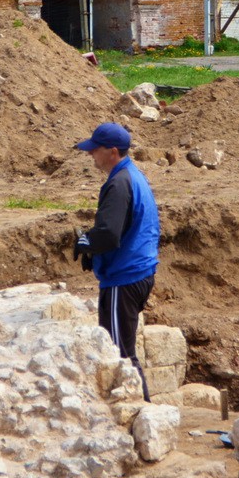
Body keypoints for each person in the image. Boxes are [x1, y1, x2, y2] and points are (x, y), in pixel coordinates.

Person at [72, 122, 160, 400]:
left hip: (124, 278)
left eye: (95, 150)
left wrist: (86, 243)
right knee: (122, 349)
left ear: (112, 151)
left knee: (119, 354)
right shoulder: (133, 175)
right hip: (137, 270)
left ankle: (142, 414)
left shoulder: (119, 183)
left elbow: (110, 234)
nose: (91, 155)